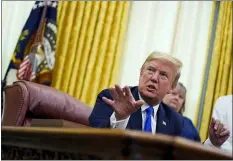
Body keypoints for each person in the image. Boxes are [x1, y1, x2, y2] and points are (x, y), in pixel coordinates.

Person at [89, 51, 189, 137]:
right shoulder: (112, 98)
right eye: (150, 70)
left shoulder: (175, 120)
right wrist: (120, 118)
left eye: (163, 75)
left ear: (172, 87)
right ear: (141, 73)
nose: (154, 78)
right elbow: (95, 141)